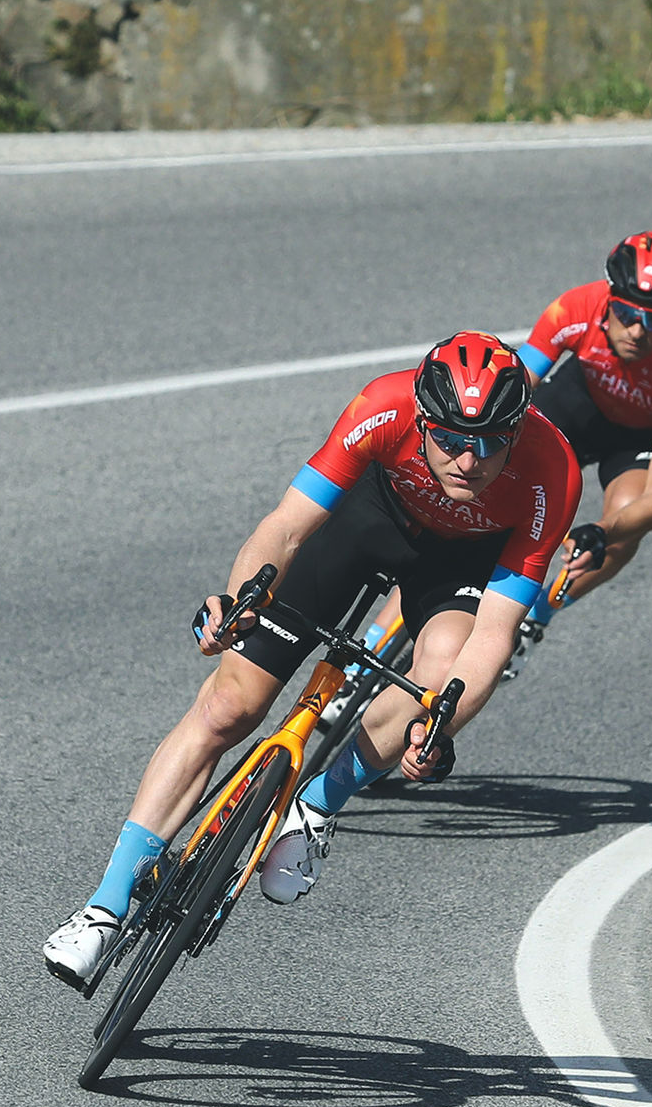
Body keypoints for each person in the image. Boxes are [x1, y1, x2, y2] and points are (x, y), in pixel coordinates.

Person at [43, 332, 580, 988]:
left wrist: (439, 724)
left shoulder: (551, 471)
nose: (469, 459)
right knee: (227, 705)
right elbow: (286, 527)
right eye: (448, 439)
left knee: (440, 674)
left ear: (517, 429)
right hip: (367, 522)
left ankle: (317, 805)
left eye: (491, 442)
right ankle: (103, 910)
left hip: (461, 565)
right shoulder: (381, 405)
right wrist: (242, 599)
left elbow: (495, 631)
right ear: (420, 419)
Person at [505, 231, 652, 668]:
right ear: (609, 299)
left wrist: (604, 533)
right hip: (576, 404)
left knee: (629, 524)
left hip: (637, 438)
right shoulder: (575, 307)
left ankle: (536, 616)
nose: (638, 331)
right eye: (626, 314)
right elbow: (508, 390)